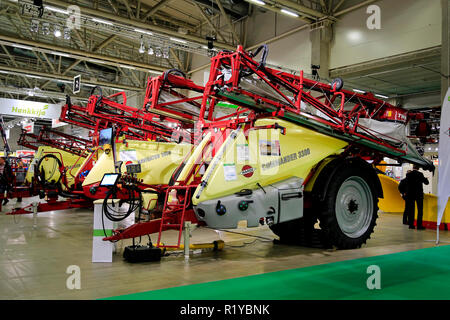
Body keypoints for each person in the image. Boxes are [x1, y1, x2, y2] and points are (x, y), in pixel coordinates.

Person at [402, 165, 429, 230]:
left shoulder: (408, 175)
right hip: (418, 195)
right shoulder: (420, 174)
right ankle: (419, 226)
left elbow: (406, 183)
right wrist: (425, 179)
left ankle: (411, 225)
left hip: (410, 195)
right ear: (418, 168)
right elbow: (426, 183)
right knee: (420, 210)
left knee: (411, 210)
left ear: (413, 167)